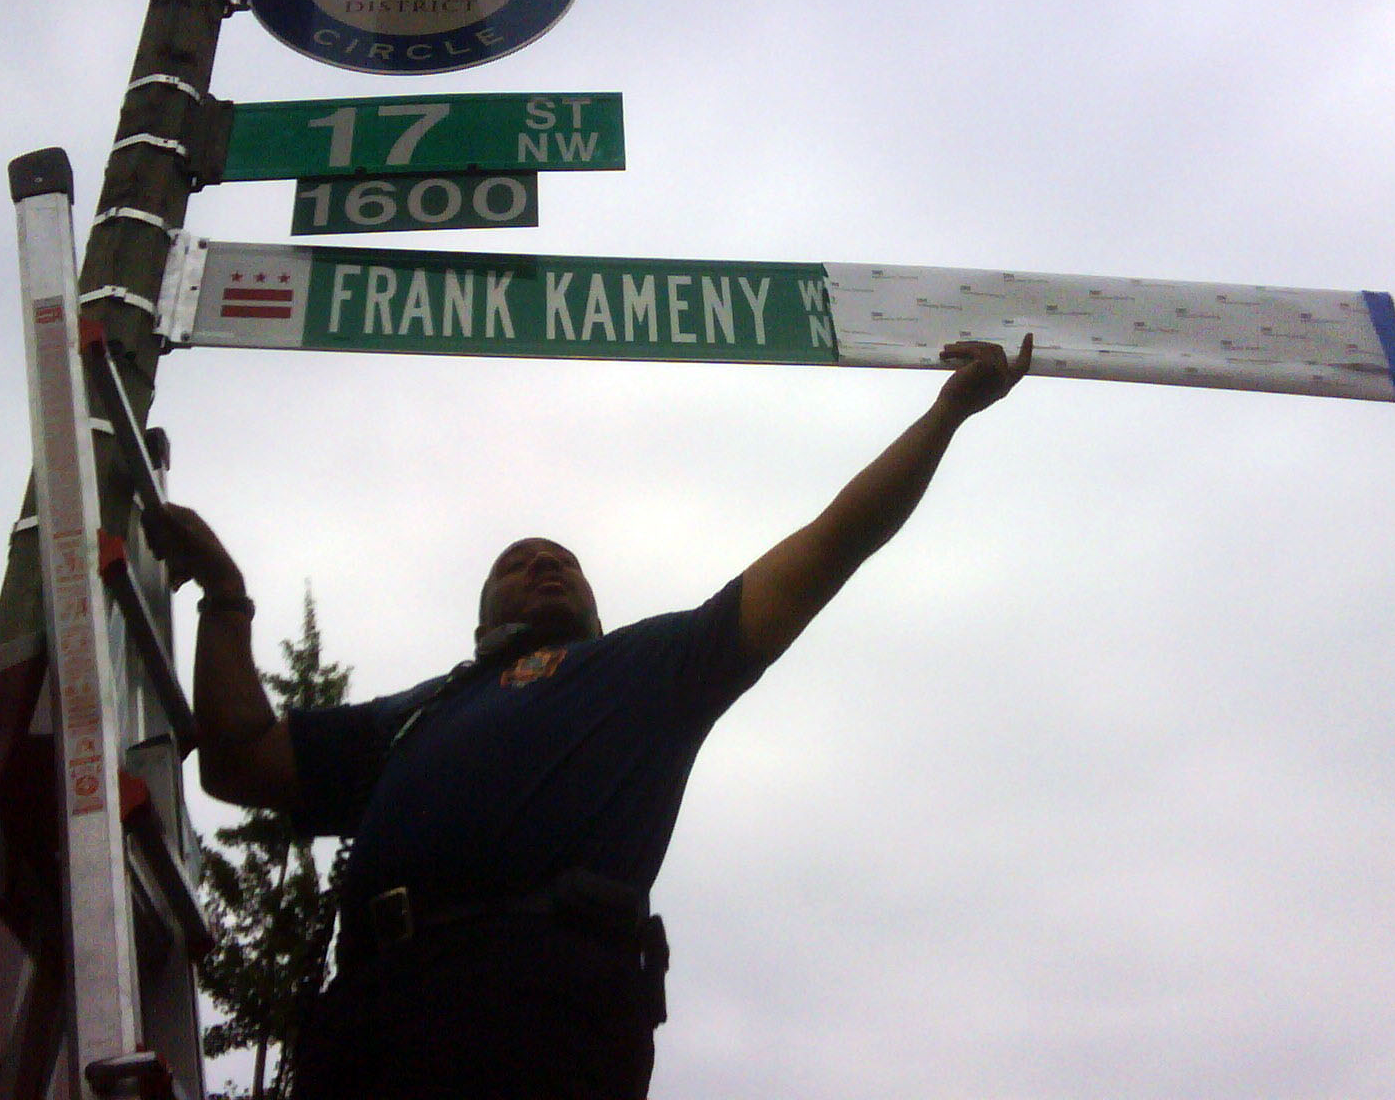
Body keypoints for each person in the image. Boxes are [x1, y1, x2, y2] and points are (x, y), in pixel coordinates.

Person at [151, 336, 1031, 1099]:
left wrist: (945, 416)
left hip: (540, 1014)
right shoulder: (413, 717)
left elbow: (833, 540)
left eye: (563, 559)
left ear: (596, 602)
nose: (544, 566)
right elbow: (238, 760)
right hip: (367, 1018)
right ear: (482, 610)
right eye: (518, 561)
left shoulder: (650, 667)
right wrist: (225, 598)